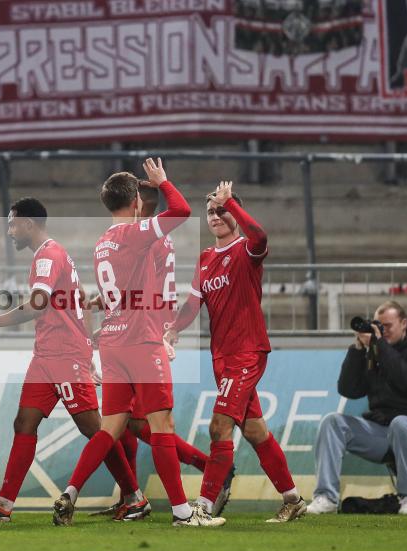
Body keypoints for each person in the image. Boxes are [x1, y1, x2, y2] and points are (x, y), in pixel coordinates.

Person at [52, 159, 224, 528]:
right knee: (161, 424)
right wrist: (163, 182)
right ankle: (182, 512)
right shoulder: (136, 233)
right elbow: (181, 210)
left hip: (112, 343)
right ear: (134, 203)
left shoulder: (101, 244)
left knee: (111, 426)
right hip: (141, 341)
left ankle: (70, 491)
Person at [0, 197, 144, 523]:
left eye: (13, 225)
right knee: (24, 423)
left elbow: (36, 305)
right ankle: (4, 504)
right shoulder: (54, 255)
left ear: (29, 224)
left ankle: (134, 497)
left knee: (94, 429)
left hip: (64, 355)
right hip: (47, 354)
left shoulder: (48, 256)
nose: (10, 232)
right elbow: (81, 300)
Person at [165, 182, 305, 523]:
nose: (215, 216)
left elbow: (261, 237)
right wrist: (173, 328)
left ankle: (203, 508)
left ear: (236, 216)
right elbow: (193, 304)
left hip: (247, 352)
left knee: (218, 428)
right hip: (221, 357)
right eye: (211, 211)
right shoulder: (205, 259)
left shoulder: (246, 249)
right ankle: (293, 500)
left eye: (222, 210)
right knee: (255, 431)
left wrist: (232, 203)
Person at [90, 191, 223, 519]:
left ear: (139, 204)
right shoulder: (147, 238)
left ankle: (199, 472)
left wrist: (159, 331)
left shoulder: (146, 236)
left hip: (146, 335)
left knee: (142, 422)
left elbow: (148, 290)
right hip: (142, 331)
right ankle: (133, 496)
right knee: (133, 423)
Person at [307, 300, 407, 516]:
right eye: (379, 326)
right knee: (332, 423)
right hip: (386, 434)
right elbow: (349, 389)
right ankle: (326, 497)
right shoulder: (375, 351)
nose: (383, 331)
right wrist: (358, 349)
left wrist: (380, 345)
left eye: (388, 325)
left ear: (404, 323)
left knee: (402, 423)